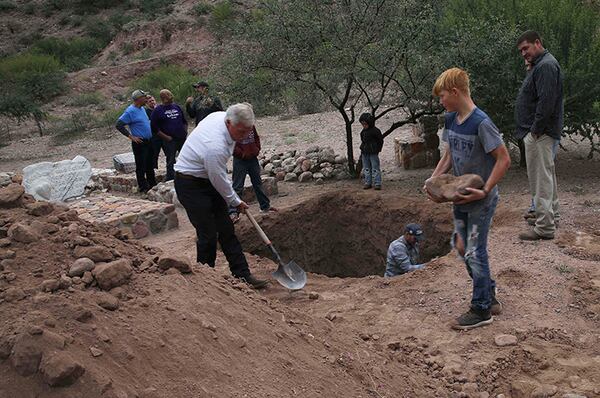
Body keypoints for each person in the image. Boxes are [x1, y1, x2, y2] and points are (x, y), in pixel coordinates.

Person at [425, 67, 511, 330]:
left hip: (481, 200)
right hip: (460, 197)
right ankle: (489, 294)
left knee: (474, 250)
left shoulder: (481, 122)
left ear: (455, 92)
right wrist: (432, 181)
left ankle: (481, 309)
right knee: (462, 247)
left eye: (442, 96)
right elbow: (449, 156)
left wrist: (485, 190)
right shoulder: (451, 120)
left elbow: (504, 159)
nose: (440, 102)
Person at [174, 103, 268, 289]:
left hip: (207, 177)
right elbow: (219, 179)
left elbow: (217, 178)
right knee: (207, 234)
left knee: (226, 229)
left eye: (246, 132)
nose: (242, 137)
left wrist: (233, 200)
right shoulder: (214, 146)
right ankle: (205, 282)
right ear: (228, 123)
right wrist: (235, 201)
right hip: (190, 184)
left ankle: (242, 274)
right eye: (240, 132)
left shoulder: (222, 117)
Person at [515, 31, 563, 241]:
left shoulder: (546, 66)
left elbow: (546, 102)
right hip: (542, 132)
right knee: (547, 176)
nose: (524, 53)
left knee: (541, 179)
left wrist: (535, 130)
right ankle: (551, 216)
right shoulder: (541, 65)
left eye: (526, 48)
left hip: (540, 133)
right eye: (521, 51)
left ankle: (544, 227)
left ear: (538, 43)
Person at [229, 126, 277, 223]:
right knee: (238, 186)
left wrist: (257, 149)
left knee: (258, 183)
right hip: (240, 160)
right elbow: (231, 143)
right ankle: (233, 212)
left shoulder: (251, 126)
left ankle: (265, 206)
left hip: (252, 158)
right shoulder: (235, 127)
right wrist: (241, 154)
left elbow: (256, 138)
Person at [116, 89, 157, 193]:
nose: (146, 99)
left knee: (149, 164)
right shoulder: (130, 111)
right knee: (141, 165)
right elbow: (119, 125)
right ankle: (143, 187)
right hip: (140, 142)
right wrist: (131, 137)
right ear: (138, 99)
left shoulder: (142, 109)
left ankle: (152, 184)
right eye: (144, 97)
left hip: (149, 140)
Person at [150, 89, 188, 181]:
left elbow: (184, 121)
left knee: (186, 157)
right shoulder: (158, 110)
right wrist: (166, 137)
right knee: (170, 160)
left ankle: (186, 175)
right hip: (170, 140)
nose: (171, 96)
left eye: (170, 94)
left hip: (181, 138)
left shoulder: (177, 107)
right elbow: (154, 128)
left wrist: (185, 132)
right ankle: (171, 177)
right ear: (163, 98)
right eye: (168, 95)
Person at [359, 112, 384, 190]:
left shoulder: (375, 131)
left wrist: (378, 150)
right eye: (362, 124)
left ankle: (377, 183)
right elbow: (362, 140)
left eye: (365, 124)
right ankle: (368, 182)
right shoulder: (363, 132)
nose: (364, 126)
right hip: (365, 152)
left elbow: (380, 141)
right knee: (366, 168)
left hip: (373, 153)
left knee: (375, 168)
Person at [145, 95, 166, 170]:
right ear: (147, 103)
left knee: (169, 153)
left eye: (153, 100)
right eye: (150, 101)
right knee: (154, 154)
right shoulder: (146, 112)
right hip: (154, 136)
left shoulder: (160, 109)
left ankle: (171, 170)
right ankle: (155, 170)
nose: (152, 102)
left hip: (164, 134)